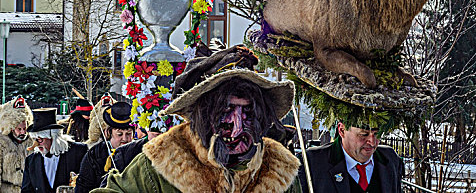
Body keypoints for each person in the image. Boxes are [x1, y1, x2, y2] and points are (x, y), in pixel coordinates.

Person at [92, 69, 301, 193]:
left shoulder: (278, 168)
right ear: (203, 115)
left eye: (248, 112)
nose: (237, 128)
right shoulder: (163, 161)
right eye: (226, 111)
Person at [298, 121, 404, 193]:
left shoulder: (390, 158)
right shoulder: (312, 162)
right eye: (363, 134)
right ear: (342, 130)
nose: (372, 142)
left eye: (377, 134)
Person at [22, 107, 87, 193]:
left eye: (40, 139)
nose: (36, 144)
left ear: (53, 136)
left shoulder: (78, 152)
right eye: (34, 139)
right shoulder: (31, 161)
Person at [75, 102, 134, 193]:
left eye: (129, 134)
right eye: (119, 134)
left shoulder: (138, 151)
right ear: (108, 133)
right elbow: (83, 186)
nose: (125, 139)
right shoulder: (95, 154)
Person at [0, 96, 32, 193]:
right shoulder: (2, 143)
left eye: (25, 128)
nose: (23, 132)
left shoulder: (33, 142)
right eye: (19, 129)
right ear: (11, 127)